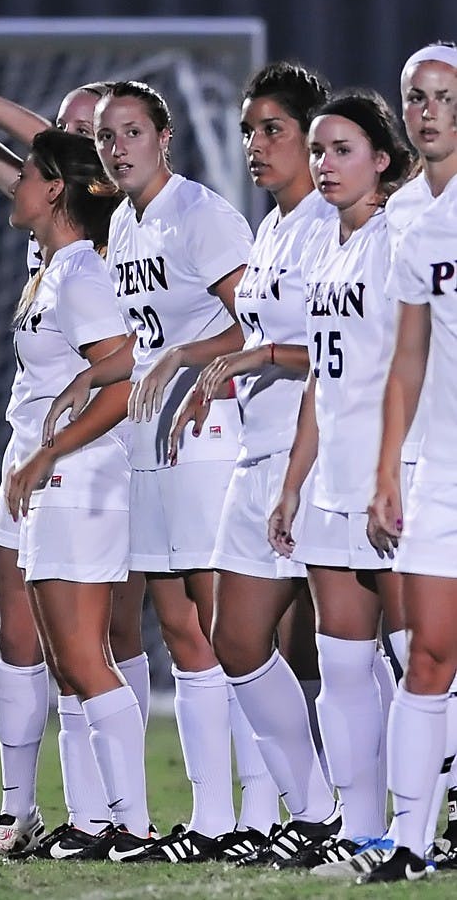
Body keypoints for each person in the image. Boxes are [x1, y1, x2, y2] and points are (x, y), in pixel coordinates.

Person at [20, 80, 278, 863]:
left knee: (221, 630)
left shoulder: (200, 215)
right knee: (181, 633)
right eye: (105, 137)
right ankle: (207, 821)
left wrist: (192, 358)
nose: (117, 147)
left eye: (131, 131)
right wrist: (90, 378)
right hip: (147, 445)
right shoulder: (123, 225)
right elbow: (137, 341)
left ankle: (258, 813)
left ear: (164, 135)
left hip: (207, 438)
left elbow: (257, 319)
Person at [0, 63, 151, 860]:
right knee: (31, 638)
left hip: (88, 455)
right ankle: (32, 811)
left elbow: (118, 369)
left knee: (104, 644)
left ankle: (123, 817)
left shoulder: (110, 230)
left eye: (91, 134)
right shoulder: (51, 244)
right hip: (37, 446)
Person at [168, 62, 349, 868]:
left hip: (320, 455)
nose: (254, 144)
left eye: (271, 128)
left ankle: (374, 811)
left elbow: (345, 348)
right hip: (257, 454)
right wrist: (219, 371)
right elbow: (260, 335)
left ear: (314, 142)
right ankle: (311, 809)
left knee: (357, 646)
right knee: (234, 637)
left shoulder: (335, 224)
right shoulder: (270, 227)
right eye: (248, 129)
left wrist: (256, 356)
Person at [265, 90, 412, 867]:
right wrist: (294, 481)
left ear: (381, 160)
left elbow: (412, 365)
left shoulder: (401, 237)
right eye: (318, 149)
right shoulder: (328, 246)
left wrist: (391, 469)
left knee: (427, 660)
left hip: (396, 472)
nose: (323, 163)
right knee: (342, 663)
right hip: (331, 481)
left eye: (342, 148)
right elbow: (324, 379)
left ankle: (425, 829)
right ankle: (361, 831)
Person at [2, 127, 152, 861]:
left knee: (87, 658)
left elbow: (123, 375)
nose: (15, 183)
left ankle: (134, 824)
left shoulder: (79, 275)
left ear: (54, 186)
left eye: (26, 172)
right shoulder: (55, 268)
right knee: (69, 661)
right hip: (53, 477)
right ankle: (95, 821)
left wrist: (52, 449)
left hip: (80, 478)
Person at [363, 41, 457, 884]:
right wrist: (388, 468)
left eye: (443, 97)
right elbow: (407, 358)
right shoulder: (409, 223)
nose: (429, 111)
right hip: (443, 468)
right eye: (416, 98)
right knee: (427, 651)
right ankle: (409, 843)